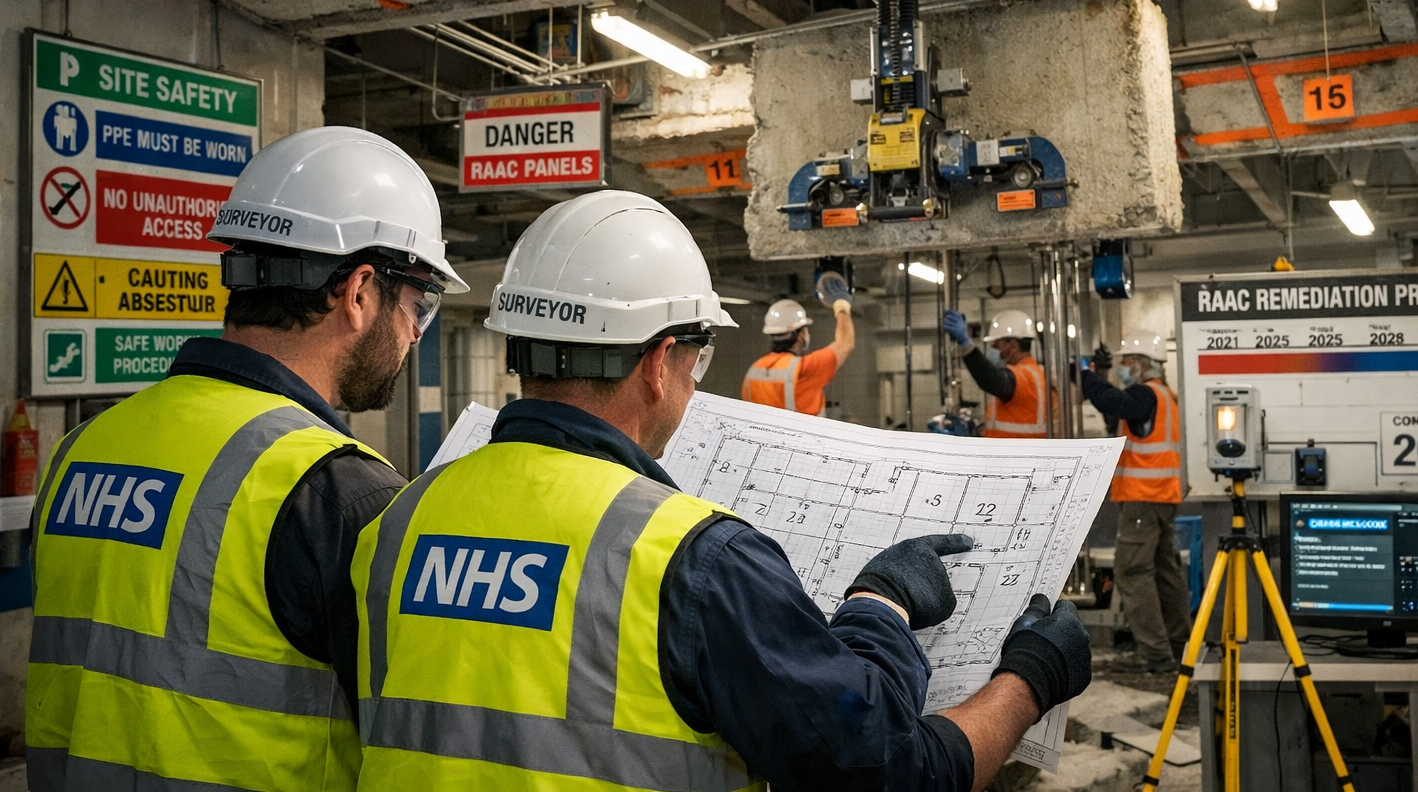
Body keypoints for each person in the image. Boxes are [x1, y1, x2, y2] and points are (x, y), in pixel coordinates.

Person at [352, 190, 1092, 792]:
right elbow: (888, 769)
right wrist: (1027, 680)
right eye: (696, 360)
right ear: (659, 361)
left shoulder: (397, 517)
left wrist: (880, 607)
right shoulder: (692, 561)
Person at [27, 126, 467, 791]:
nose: (412, 332)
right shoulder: (338, 492)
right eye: (418, 305)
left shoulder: (83, 448)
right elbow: (419, 741)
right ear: (358, 292)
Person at [1079, 329, 1190, 672]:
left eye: (1127, 361)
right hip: (1162, 498)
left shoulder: (1145, 395)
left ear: (1142, 365)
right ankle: (1176, 645)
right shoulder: (1166, 396)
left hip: (1144, 500)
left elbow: (1111, 401)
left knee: (1132, 572)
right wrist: (1099, 375)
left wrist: (1084, 375)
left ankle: (1156, 655)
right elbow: (1118, 412)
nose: (1123, 368)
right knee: (1165, 571)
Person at [741, 280, 855, 415]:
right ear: (801, 335)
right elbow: (846, 342)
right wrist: (841, 305)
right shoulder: (804, 369)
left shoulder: (754, 371)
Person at [942, 309, 1048, 438]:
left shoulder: (1023, 376)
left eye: (996, 344)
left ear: (1013, 346)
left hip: (1016, 455)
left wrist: (966, 345)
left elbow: (992, 379)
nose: (992, 348)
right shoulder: (1033, 373)